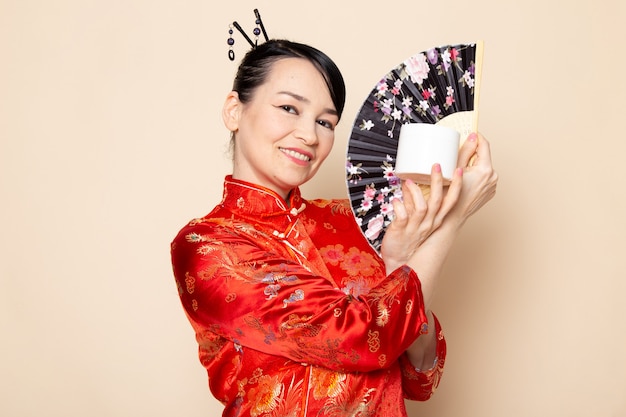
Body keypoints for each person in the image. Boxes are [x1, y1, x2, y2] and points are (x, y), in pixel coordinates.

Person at [170, 38, 498, 417]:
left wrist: (398, 263)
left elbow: (419, 376)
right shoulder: (206, 244)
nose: (309, 135)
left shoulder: (357, 220)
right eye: (288, 108)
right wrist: (451, 222)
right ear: (234, 111)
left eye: (325, 122)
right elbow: (359, 338)